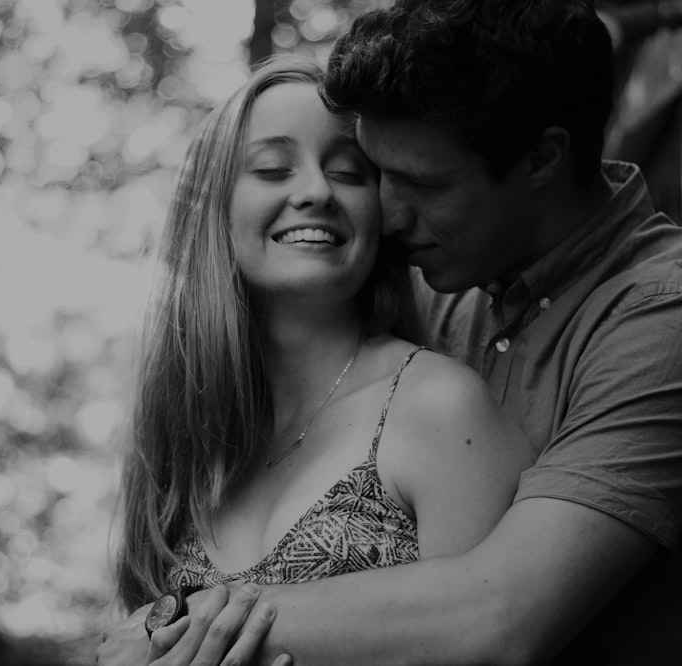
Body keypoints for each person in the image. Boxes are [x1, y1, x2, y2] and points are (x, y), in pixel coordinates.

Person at [98, 1, 682, 664]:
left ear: (542, 158)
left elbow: (500, 615)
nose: (387, 215)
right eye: (376, 174)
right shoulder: (441, 279)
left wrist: (177, 624)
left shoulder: (679, 321)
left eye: (419, 183)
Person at [103, 54, 533, 665]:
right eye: (274, 169)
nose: (315, 191)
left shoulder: (438, 407)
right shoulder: (189, 448)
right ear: (215, 213)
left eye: (349, 173)